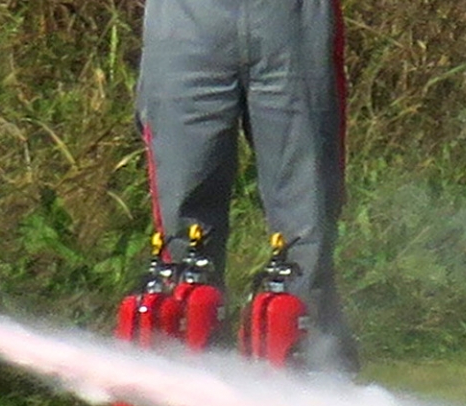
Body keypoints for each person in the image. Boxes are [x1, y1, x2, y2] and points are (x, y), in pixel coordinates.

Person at [136, 0, 358, 373]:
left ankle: (318, 394)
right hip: (186, 22)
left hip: (291, 22)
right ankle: (187, 398)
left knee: (305, 232)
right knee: (185, 240)